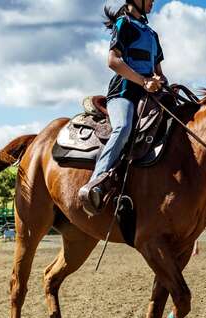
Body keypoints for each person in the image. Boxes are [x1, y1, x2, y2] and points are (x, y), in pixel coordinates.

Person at [78, 0, 166, 215]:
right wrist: (144, 81)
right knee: (124, 127)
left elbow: (159, 72)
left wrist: (159, 82)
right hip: (123, 93)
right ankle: (95, 182)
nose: (154, 1)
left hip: (150, 95)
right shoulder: (123, 24)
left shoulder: (153, 34)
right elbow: (113, 61)